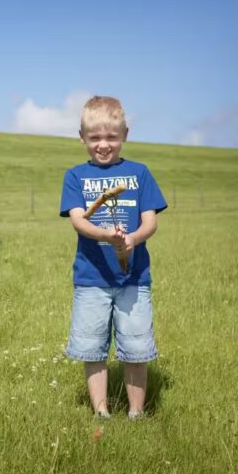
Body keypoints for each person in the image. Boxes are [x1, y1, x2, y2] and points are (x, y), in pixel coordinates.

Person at [60, 96, 167, 419]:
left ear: (125, 135)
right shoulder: (76, 176)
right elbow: (79, 220)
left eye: (111, 137)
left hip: (133, 278)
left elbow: (151, 220)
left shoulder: (140, 173)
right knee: (91, 346)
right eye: (94, 138)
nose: (103, 145)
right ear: (82, 137)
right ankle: (101, 411)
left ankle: (136, 412)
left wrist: (132, 239)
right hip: (91, 278)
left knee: (136, 348)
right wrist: (107, 235)